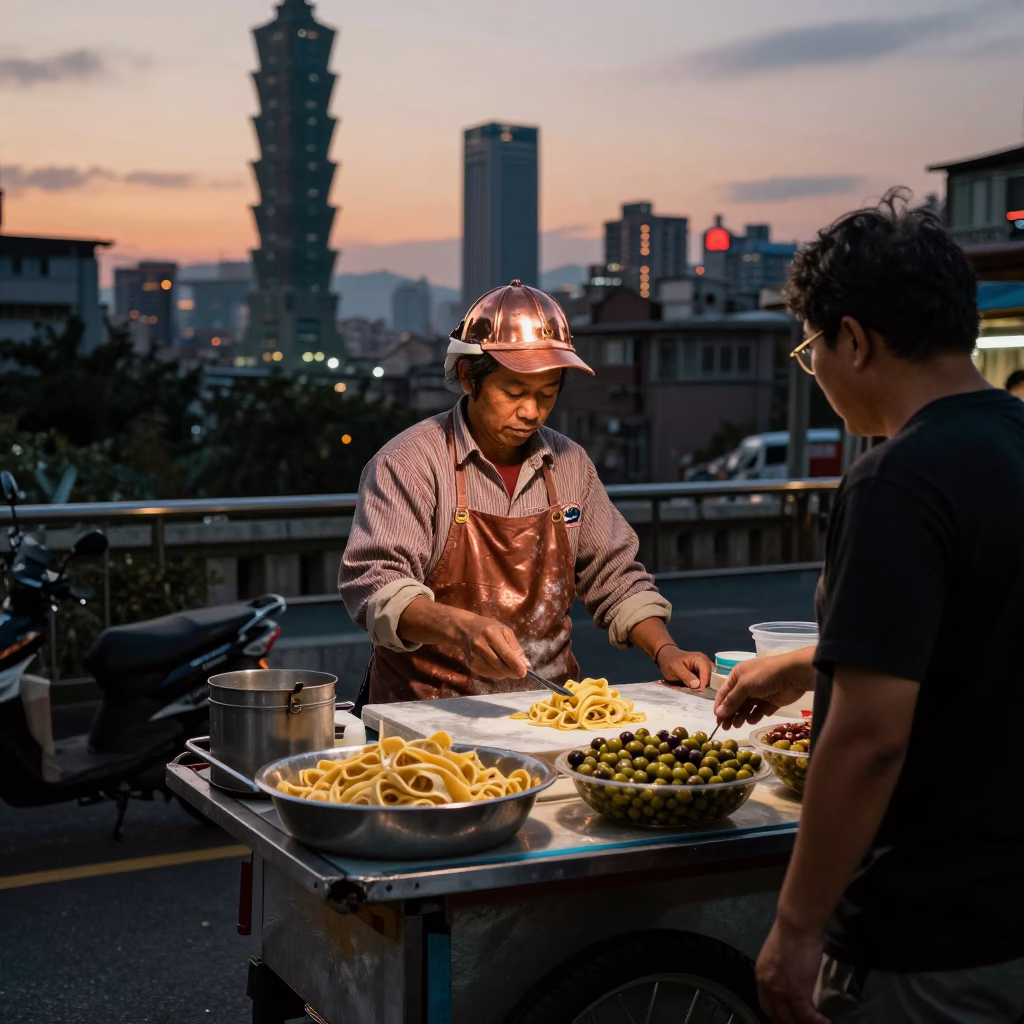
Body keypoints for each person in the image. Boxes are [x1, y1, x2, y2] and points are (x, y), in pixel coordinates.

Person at [714, 190, 1024, 1023]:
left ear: (853, 338)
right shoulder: (1013, 442)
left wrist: (795, 927)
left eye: (812, 353)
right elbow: (978, 630)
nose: (817, 374)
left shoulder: (896, 481)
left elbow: (869, 738)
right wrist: (810, 660)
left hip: (932, 936)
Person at [340, 280, 711, 704]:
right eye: (513, 392)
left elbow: (616, 577)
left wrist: (666, 650)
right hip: (426, 713)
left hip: (546, 709)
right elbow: (377, 586)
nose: (531, 411)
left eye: (546, 395)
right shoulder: (409, 463)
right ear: (468, 377)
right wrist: (463, 628)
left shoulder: (570, 464)